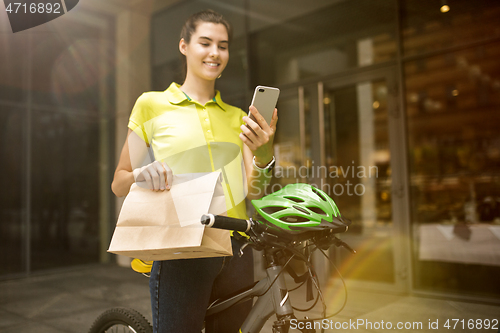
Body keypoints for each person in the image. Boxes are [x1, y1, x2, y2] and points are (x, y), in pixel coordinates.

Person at [111, 9, 278, 333]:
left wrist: (264, 150)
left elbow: (253, 190)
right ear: (184, 46)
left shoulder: (237, 116)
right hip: (181, 247)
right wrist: (141, 174)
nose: (215, 52)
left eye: (223, 45)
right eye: (205, 42)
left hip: (237, 247)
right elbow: (119, 182)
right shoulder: (151, 104)